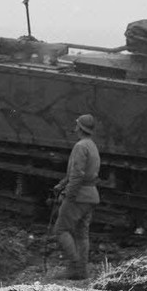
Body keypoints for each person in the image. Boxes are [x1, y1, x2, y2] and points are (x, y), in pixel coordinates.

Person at [50, 114, 101, 280]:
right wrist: (62, 184)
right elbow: (81, 173)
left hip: (78, 196)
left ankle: (75, 268)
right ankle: (82, 270)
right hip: (91, 195)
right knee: (81, 233)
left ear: (79, 128)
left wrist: (67, 195)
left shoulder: (80, 146)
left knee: (61, 230)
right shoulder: (91, 145)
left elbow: (77, 175)